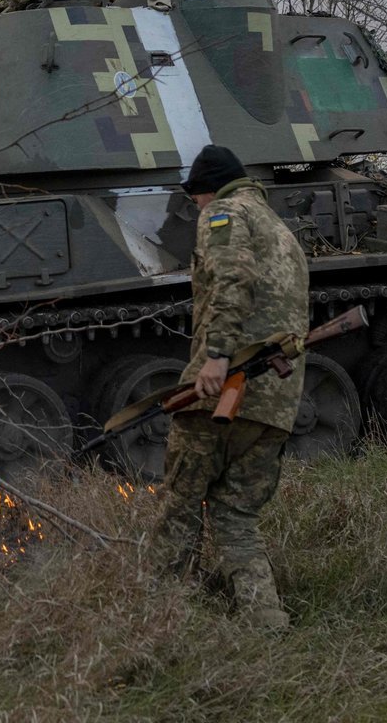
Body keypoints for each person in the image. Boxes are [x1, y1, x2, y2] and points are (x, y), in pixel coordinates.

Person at [154, 143, 310, 632]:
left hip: (222, 392)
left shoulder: (223, 212)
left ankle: (157, 617)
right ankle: (266, 620)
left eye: (195, 199)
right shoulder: (279, 229)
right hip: (276, 405)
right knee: (235, 516)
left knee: (179, 507)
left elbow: (231, 277)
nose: (197, 208)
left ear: (206, 190)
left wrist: (217, 356)